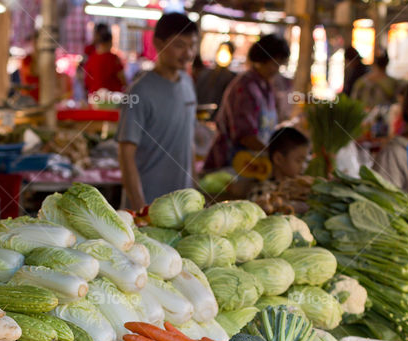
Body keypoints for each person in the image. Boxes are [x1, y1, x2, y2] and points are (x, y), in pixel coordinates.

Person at [117, 13, 199, 211]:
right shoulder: (139, 92)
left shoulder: (188, 83)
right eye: (180, 45)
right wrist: (140, 208)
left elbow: (189, 142)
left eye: (192, 45)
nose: (188, 54)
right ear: (158, 43)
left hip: (181, 205)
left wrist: (196, 191)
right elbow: (125, 154)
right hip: (148, 206)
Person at [203, 34, 290, 171]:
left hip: (254, 165)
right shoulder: (245, 87)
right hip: (230, 167)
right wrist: (277, 158)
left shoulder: (267, 87)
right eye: (275, 63)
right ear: (262, 59)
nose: (277, 69)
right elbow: (246, 137)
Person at [194, 42, 235, 113]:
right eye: (221, 51)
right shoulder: (205, 74)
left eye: (227, 52)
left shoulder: (233, 79)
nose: (223, 55)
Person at [83, 26, 125, 95]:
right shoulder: (113, 58)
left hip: (95, 97)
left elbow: (86, 81)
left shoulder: (92, 58)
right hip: (112, 98)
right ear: (109, 42)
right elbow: (122, 78)